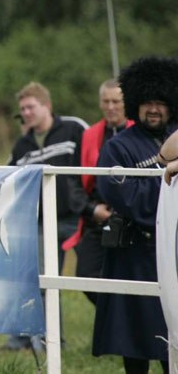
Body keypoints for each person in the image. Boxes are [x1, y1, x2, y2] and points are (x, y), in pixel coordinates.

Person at [92, 56, 178, 373]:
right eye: (147, 102)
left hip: (174, 251)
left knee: (174, 342)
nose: (153, 109)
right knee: (136, 344)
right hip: (136, 255)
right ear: (136, 104)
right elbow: (124, 197)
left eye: (161, 103)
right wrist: (169, 185)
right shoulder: (118, 148)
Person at [3, 81, 89, 351]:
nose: (26, 113)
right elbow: (9, 178)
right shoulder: (23, 144)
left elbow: (93, 159)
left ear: (47, 106)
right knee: (43, 282)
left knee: (96, 277)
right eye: (22, 109)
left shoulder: (73, 128)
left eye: (31, 107)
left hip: (78, 217)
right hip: (41, 222)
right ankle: (51, 341)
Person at [71, 79, 132, 304]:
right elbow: (72, 180)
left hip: (132, 220)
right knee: (86, 276)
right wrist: (91, 208)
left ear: (126, 104)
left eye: (116, 101)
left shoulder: (139, 133)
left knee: (132, 279)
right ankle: (112, 315)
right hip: (96, 219)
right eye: (105, 101)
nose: (110, 107)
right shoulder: (88, 135)